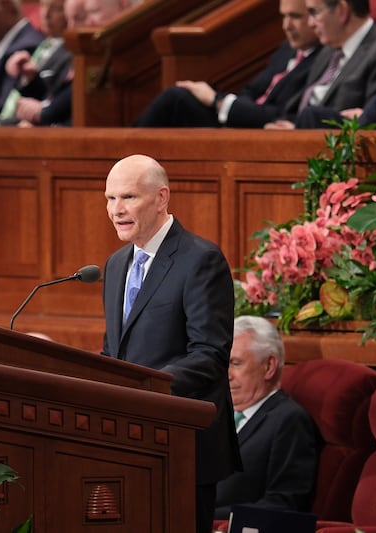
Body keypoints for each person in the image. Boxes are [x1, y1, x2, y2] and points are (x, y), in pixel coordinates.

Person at [101, 154, 241, 533]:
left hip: (181, 446)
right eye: (110, 199)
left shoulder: (200, 260)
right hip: (125, 442)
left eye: (128, 197)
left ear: (162, 198)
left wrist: (145, 391)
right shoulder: (116, 265)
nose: (116, 210)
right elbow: (112, 352)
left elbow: (209, 354)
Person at [133, 0, 322, 128]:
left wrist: (218, 101)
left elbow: (285, 114)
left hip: (260, 130)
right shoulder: (287, 49)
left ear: (315, 16)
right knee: (179, 98)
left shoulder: (323, 60)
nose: (286, 26)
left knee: (177, 98)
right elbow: (250, 91)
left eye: (295, 17)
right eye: (283, 16)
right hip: (238, 117)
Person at [214, 316, 318, 520]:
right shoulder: (215, 414)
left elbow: (284, 503)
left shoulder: (288, 420)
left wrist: (207, 515)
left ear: (269, 366)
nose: (226, 374)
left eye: (235, 363)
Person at [266, 0, 376, 129]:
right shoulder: (327, 51)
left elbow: (374, 124)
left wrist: (298, 131)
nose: (310, 23)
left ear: (342, 11)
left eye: (314, 12)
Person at [0, 0, 74, 126]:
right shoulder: (44, 45)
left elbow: (54, 100)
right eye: (43, 5)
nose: (46, 14)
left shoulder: (71, 52)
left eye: (56, 8)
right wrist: (30, 78)